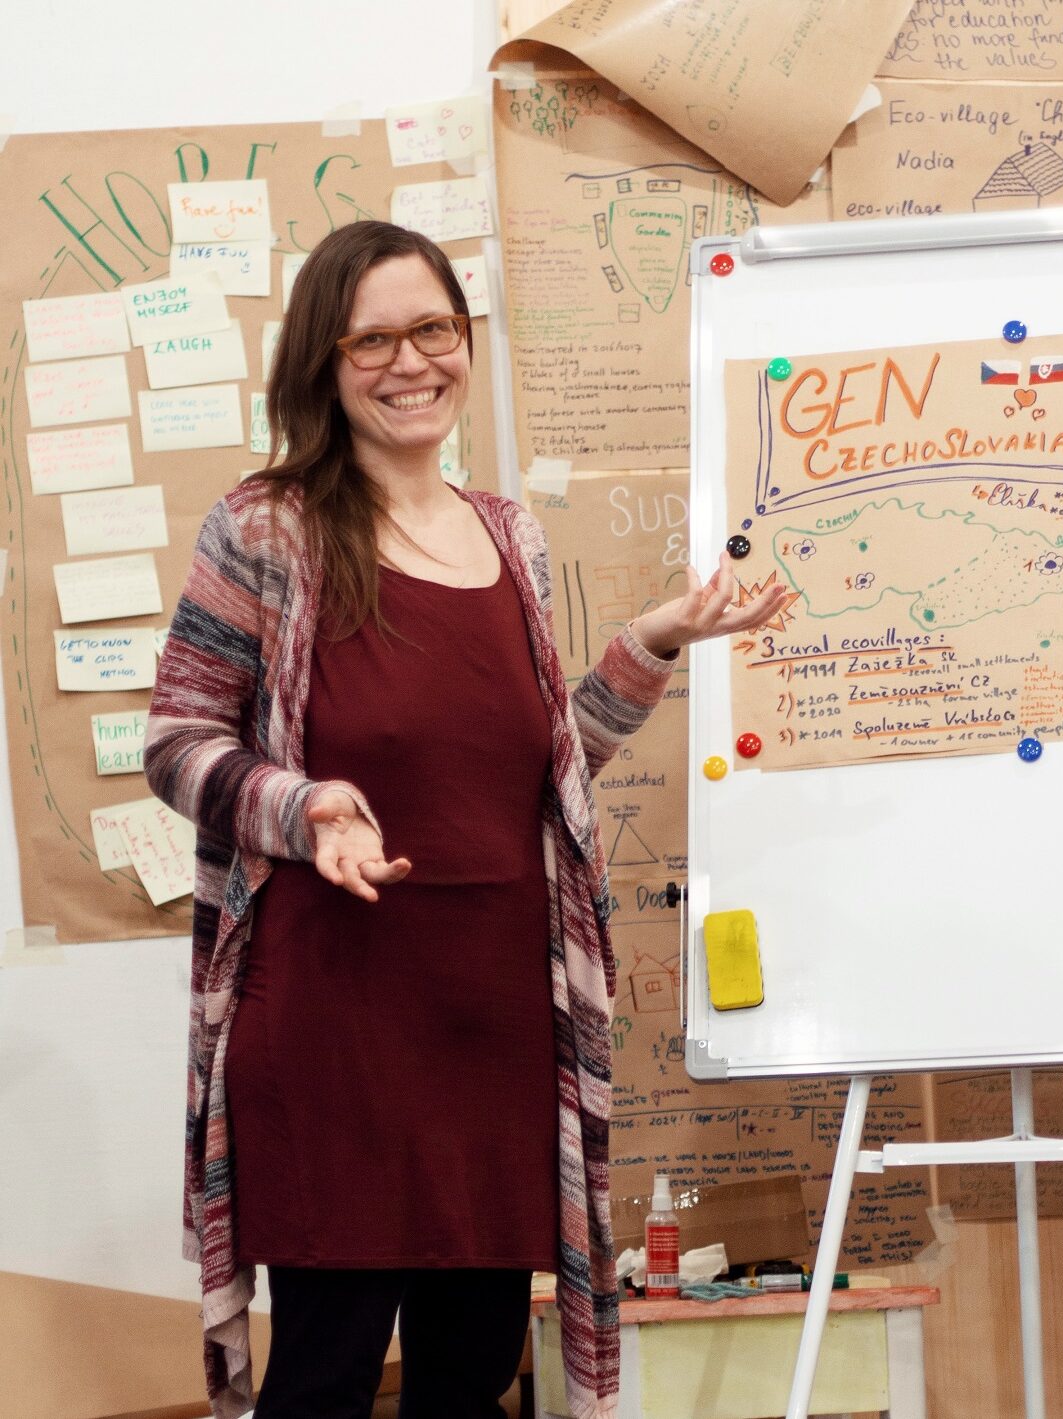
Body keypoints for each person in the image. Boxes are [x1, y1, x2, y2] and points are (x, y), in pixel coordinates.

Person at [144, 219, 788, 1419]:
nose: (411, 362)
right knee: (326, 1376)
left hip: (495, 1026)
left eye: (433, 329)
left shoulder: (509, 533)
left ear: (464, 340)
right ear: (324, 362)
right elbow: (177, 743)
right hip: (335, 1022)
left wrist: (651, 643)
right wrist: (306, 806)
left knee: (474, 1375)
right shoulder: (268, 527)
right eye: (372, 339)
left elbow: (543, 770)